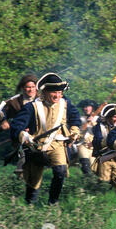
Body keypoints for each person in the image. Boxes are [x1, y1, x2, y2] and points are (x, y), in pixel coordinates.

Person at [10, 73, 81, 205]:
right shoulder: (32, 107)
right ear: (45, 92)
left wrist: (75, 130)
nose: (57, 96)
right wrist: (24, 136)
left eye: (59, 92)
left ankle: (53, 203)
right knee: (33, 182)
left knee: (60, 171)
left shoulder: (65, 104)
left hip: (58, 144)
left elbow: (75, 118)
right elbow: (16, 126)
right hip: (35, 147)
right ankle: (29, 206)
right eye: (54, 93)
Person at [1, 74, 38, 178]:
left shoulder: (42, 100)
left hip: (40, 134)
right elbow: (2, 112)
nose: (30, 90)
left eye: (33, 87)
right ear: (23, 88)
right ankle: (21, 174)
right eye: (28, 87)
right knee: (24, 155)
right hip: (21, 136)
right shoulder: (14, 102)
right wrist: (3, 121)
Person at [91, 103, 116, 184]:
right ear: (108, 118)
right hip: (105, 158)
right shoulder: (99, 127)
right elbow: (97, 142)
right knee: (104, 183)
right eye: (114, 117)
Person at [76, 99, 99, 175]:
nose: (86, 109)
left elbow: (99, 132)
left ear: (92, 108)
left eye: (88, 107)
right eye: (84, 107)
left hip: (94, 146)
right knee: (85, 166)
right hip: (83, 144)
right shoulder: (80, 119)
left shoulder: (98, 119)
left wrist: (92, 122)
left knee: (94, 168)